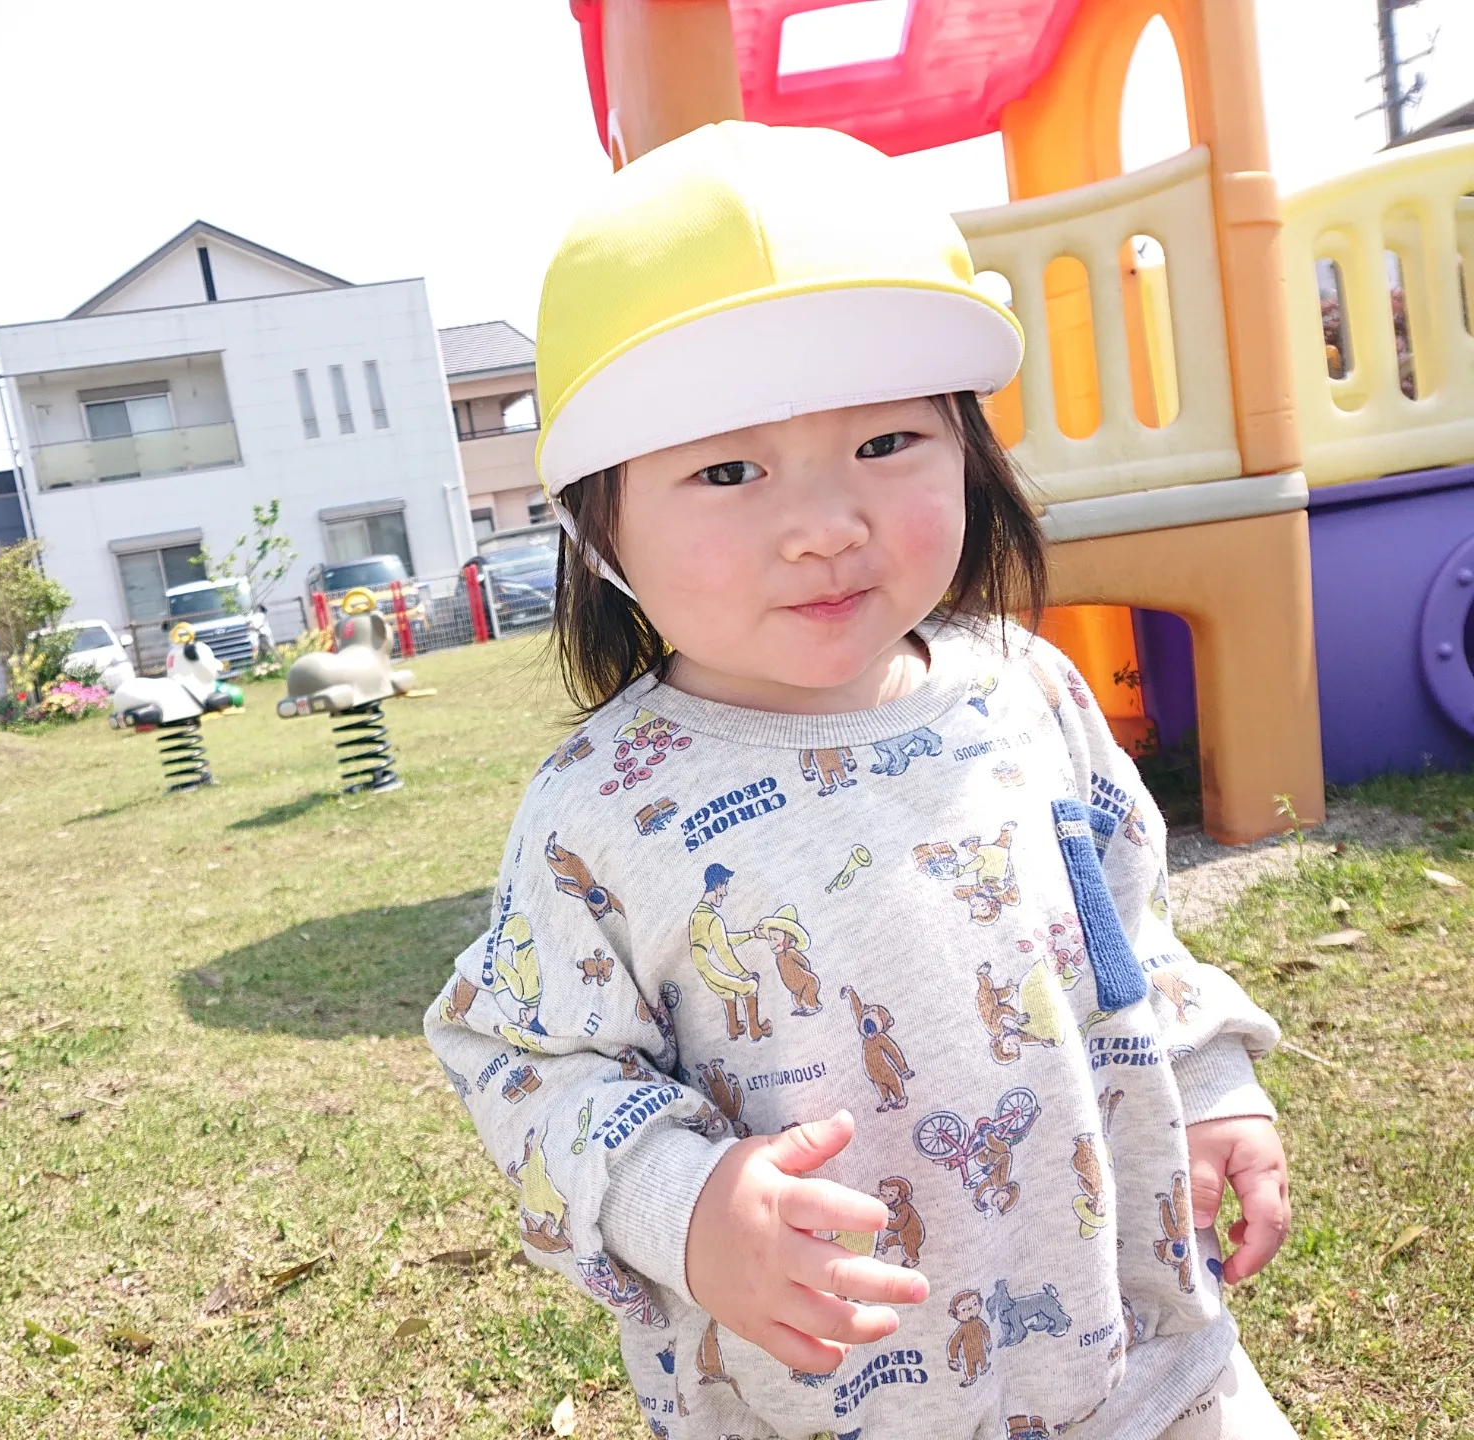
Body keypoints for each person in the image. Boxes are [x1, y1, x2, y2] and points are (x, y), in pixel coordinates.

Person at [424, 122, 1294, 1440]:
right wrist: (685, 1203)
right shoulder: (599, 812)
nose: (827, 523)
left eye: (886, 441)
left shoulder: (1029, 689)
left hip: (1143, 1364)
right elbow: (526, 1063)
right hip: (832, 1398)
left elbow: (1130, 923)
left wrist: (1213, 1080)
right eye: (728, 470)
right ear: (598, 527)